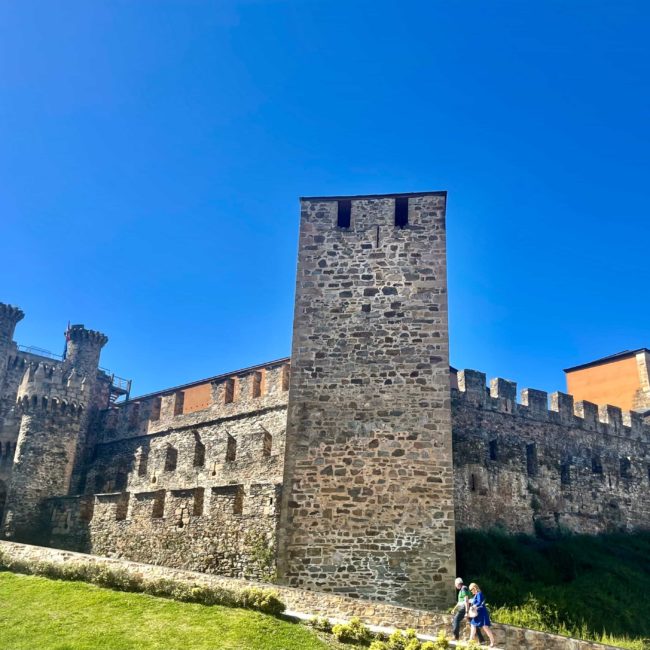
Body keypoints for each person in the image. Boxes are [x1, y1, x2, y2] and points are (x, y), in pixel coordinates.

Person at [452, 577, 485, 643]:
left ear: (458, 584)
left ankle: (456, 637)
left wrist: (466, 612)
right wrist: (454, 609)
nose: (455, 586)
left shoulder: (464, 589)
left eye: (455, 584)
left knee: (456, 620)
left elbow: (466, 600)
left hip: (465, 608)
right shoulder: (462, 590)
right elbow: (459, 602)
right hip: (466, 607)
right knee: (473, 623)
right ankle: (481, 640)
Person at [468, 582, 496, 648]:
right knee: (473, 625)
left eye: (471, 590)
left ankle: (492, 642)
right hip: (477, 613)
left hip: (482, 613)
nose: (471, 592)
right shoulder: (476, 595)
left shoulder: (479, 594)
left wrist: (474, 606)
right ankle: (470, 641)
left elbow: (479, 603)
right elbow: (476, 601)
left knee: (485, 628)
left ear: (474, 588)